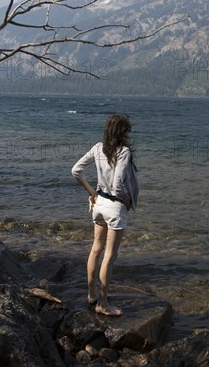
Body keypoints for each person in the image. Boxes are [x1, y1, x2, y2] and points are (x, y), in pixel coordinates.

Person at [71, 114, 139, 316]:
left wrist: (92, 193)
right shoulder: (124, 152)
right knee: (110, 256)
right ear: (122, 132)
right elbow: (118, 184)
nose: (128, 133)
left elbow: (76, 170)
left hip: (99, 204)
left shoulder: (97, 147)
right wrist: (127, 200)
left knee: (95, 250)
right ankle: (102, 303)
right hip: (114, 206)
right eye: (127, 130)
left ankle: (92, 295)